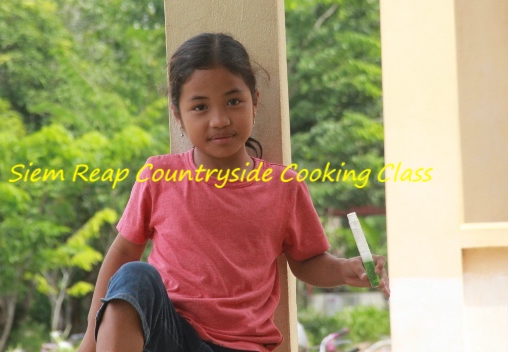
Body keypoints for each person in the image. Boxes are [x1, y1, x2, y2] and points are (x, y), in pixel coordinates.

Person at [78, 33, 390, 352]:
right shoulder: (159, 175)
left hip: (243, 347)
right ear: (178, 115)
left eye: (233, 101)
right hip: (172, 337)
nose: (220, 120)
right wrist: (90, 340)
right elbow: (122, 253)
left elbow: (307, 261)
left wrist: (344, 269)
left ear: (254, 101)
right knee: (134, 276)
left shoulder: (283, 186)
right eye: (200, 106)